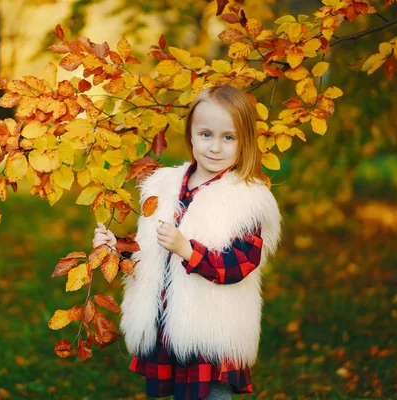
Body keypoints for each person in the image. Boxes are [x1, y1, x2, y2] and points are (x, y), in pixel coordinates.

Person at [92, 85, 282, 400]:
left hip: (211, 331)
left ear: (243, 143)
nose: (215, 147)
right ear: (191, 135)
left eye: (228, 137)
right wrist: (116, 249)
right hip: (165, 325)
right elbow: (149, 251)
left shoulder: (246, 199)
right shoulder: (164, 186)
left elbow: (240, 263)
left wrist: (187, 250)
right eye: (206, 134)